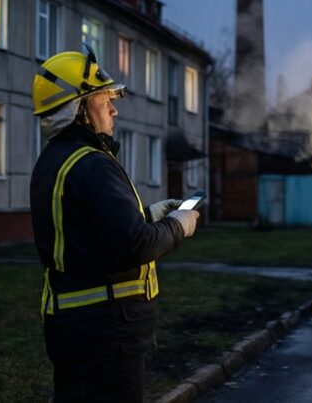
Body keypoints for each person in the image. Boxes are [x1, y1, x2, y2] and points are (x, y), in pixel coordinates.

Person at [30, 44, 200, 402]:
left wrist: (152, 215)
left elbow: (87, 233)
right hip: (107, 335)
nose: (113, 108)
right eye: (103, 98)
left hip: (76, 330)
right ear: (79, 109)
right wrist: (179, 226)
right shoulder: (94, 164)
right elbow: (133, 247)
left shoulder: (54, 161)